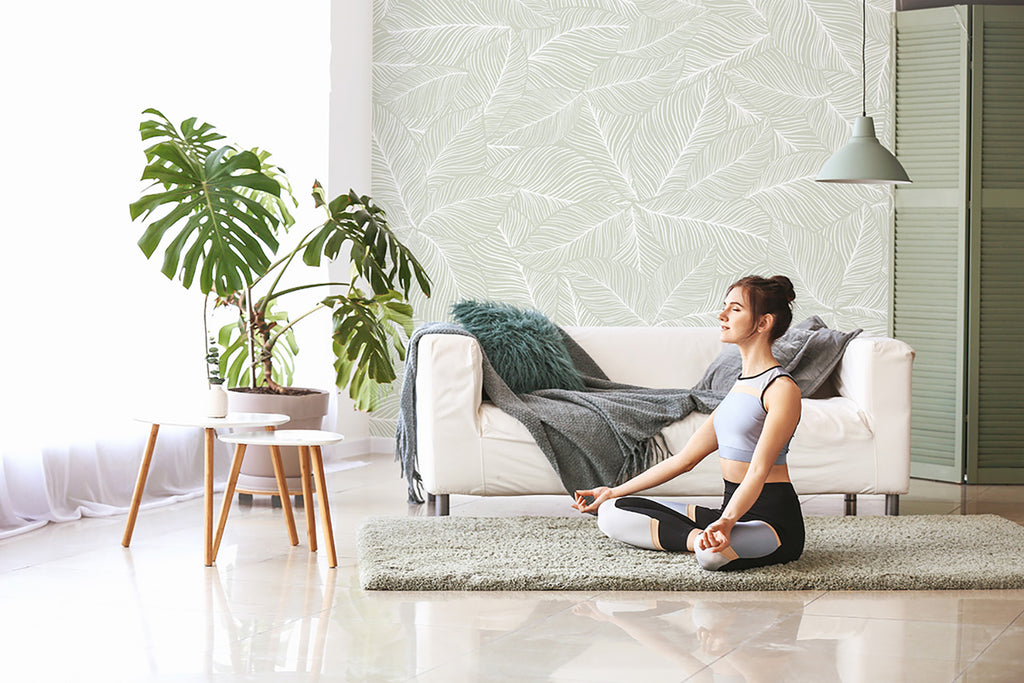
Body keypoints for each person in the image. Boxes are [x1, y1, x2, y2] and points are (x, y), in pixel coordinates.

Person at [573, 275, 804, 571]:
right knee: (611, 511)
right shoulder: (740, 386)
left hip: (771, 522)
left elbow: (759, 471)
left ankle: (706, 543)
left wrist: (727, 520)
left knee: (711, 557)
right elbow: (683, 460)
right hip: (729, 511)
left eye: (735, 309)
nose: (722, 315)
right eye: (725, 307)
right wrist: (614, 491)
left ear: (763, 323)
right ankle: (700, 539)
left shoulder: (781, 388)